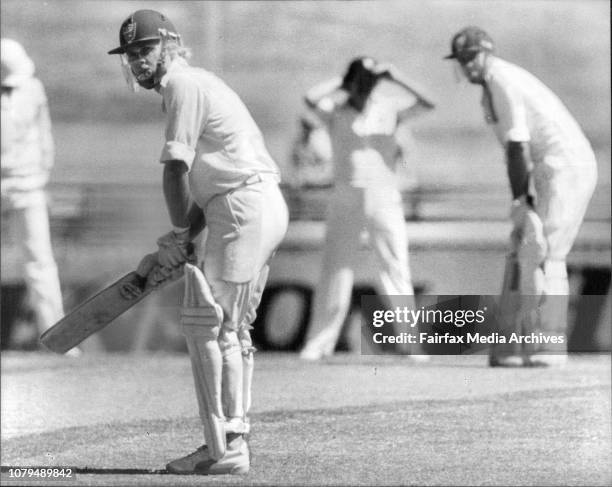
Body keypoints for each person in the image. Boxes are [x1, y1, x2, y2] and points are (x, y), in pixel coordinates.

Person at [108, 10, 288, 475]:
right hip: (252, 204)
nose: (138, 63)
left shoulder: (182, 86)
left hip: (244, 207)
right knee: (231, 330)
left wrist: (183, 235)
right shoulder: (197, 84)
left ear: (170, 46)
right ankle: (231, 440)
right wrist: (182, 233)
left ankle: (225, 446)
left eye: (144, 51)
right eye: (130, 55)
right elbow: (209, 189)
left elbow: (176, 169)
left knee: (213, 327)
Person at [444, 26, 597, 367]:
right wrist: (524, 199)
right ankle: (513, 347)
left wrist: (520, 200)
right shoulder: (490, 85)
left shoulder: (501, 80)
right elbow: (516, 150)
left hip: (566, 166)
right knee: (525, 251)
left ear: (487, 53)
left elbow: (517, 146)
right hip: (551, 167)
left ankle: (547, 346)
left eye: (472, 58)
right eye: (462, 60)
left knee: (546, 252)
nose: (468, 66)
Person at [298, 56, 435, 361]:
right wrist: (342, 80)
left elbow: (428, 103)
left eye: (369, 81)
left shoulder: (389, 107)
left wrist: (395, 75)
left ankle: (411, 343)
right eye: (361, 80)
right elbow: (310, 99)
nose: (365, 86)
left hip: (384, 196)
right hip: (346, 194)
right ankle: (319, 343)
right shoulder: (335, 110)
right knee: (336, 268)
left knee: (395, 265)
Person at [1, 38, 71, 353]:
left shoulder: (33, 89)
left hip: (28, 185)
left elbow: (44, 136)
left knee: (41, 263)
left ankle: (58, 339)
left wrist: (42, 175)